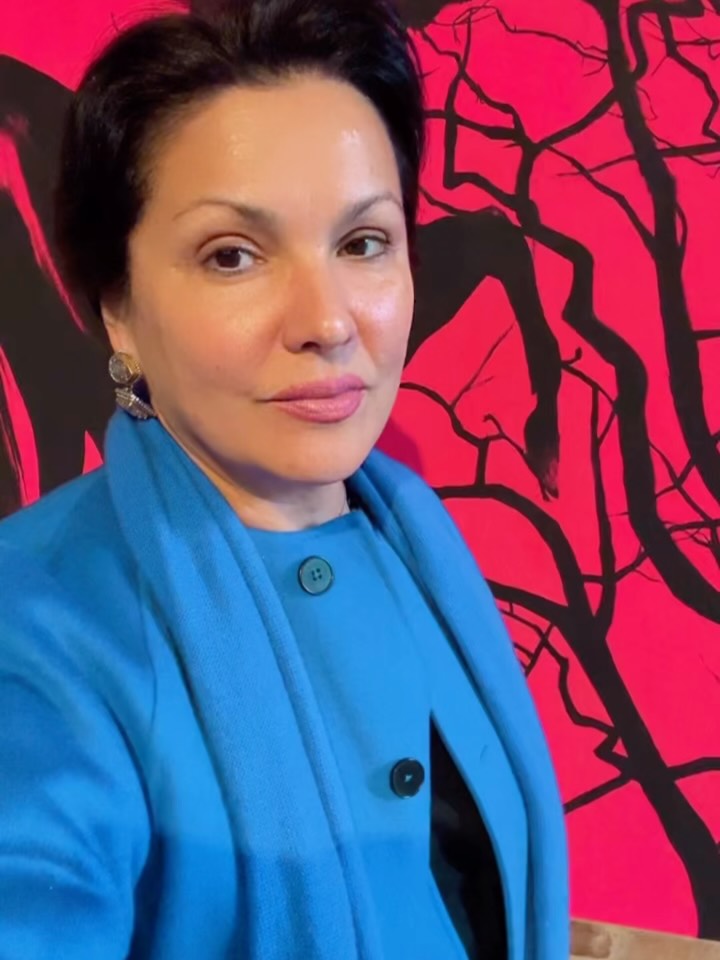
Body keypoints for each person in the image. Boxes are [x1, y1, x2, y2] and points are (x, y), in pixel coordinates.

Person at [0, 1, 569, 957]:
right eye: (234, 255)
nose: (328, 321)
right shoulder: (36, 622)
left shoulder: (416, 545)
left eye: (363, 243)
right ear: (119, 308)